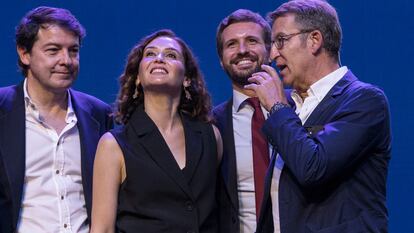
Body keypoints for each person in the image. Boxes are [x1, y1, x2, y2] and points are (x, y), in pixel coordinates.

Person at [245, 0, 391, 232]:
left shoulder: (364, 100)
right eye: (272, 43)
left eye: (281, 40)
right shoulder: (292, 107)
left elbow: (313, 168)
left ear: (314, 40)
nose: (272, 54)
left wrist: (276, 106)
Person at [90, 29, 223, 233]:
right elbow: (103, 229)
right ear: (137, 78)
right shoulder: (114, 145)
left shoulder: (210, 136)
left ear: (187, 78)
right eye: (150, 54)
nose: (159, 59)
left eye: (170, 55)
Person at [0, 6, 113, 233]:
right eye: (53, 50)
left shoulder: (99, 114)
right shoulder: (2, 109)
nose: (66, 60)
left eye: (73, 50)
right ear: (24, 54)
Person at [212, 9, 276, 233]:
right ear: (221, 60)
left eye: (251, 41)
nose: (242, 51)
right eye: (231, 44)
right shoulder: (210, 125)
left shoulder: (302, 108)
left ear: (269, 51)